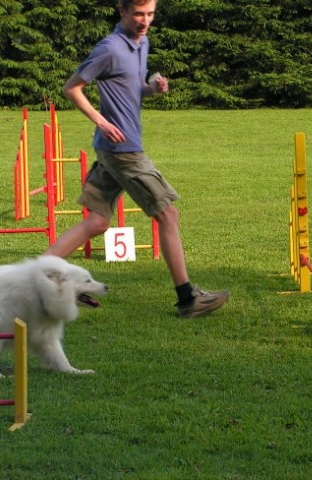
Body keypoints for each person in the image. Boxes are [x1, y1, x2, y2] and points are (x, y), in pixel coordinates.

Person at [44, 0, 229, 318]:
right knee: (168, 216)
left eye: (150, 14)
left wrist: (151, 89)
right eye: (138, 14)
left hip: (112, 149)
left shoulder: (140, 43)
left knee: (97, 222)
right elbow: (72, 88)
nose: (145, 21)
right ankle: (188, 299)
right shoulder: (110, 48)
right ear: (123, 12)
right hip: (123, 150)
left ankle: (42, 280)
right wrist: (101, 121)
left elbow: (128, 89)